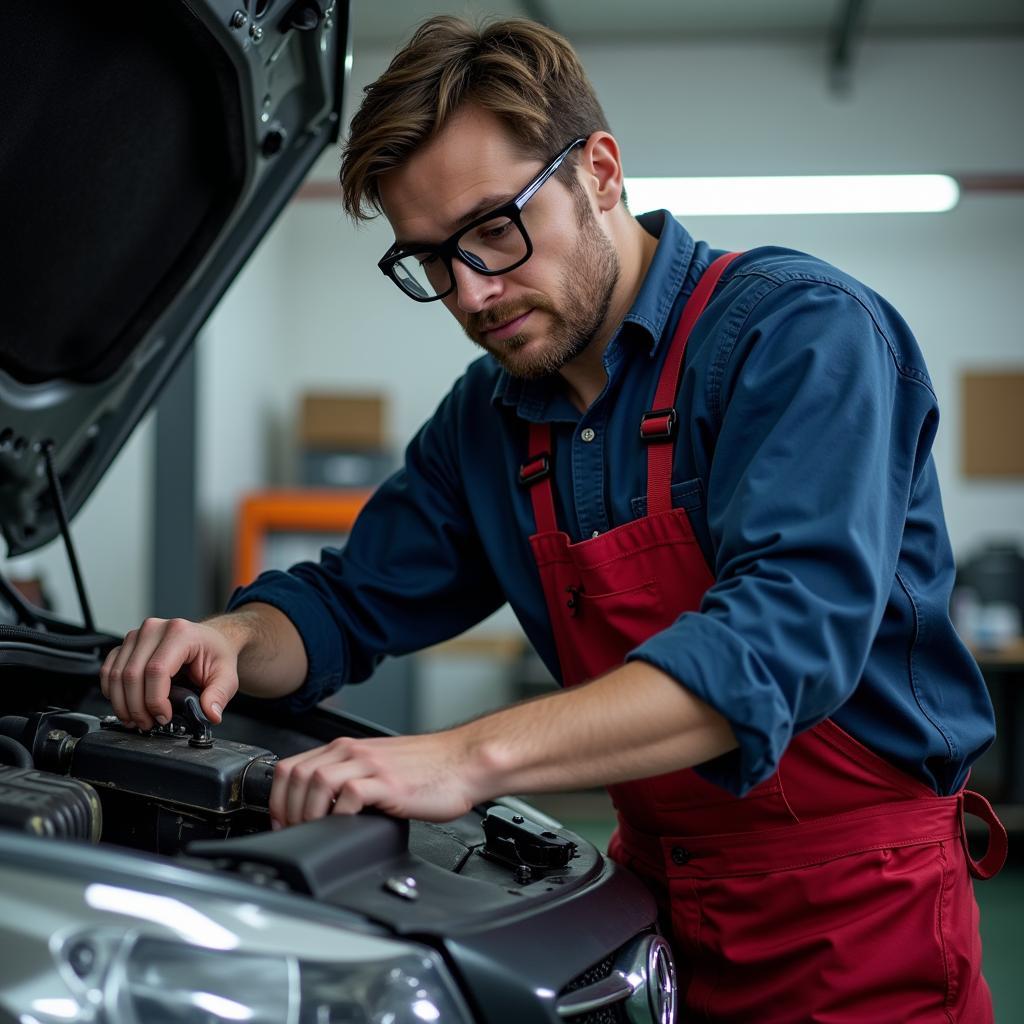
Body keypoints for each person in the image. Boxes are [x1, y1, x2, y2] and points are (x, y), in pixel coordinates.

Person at [101, 15, 1006, 1021]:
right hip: (642, 917)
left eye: (496, 227)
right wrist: (230, 637)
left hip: (858, 921)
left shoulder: (799, 337)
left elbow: (779, 643)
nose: (473, 292)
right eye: (432, 260)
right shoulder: (486, 422)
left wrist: (458, 756)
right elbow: (348, 605)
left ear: (602, 172)